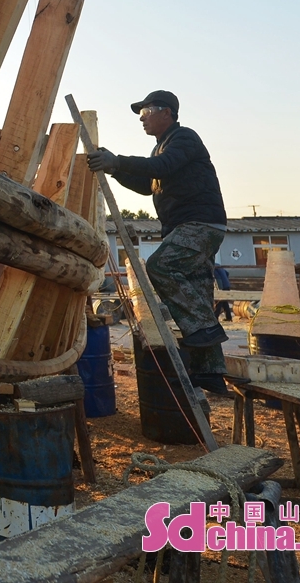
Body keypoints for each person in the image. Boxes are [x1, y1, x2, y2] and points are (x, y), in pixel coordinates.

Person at [86, 90, 229, 393]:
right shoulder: (159, 151)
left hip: (200, 223)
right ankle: (211, 372)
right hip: (183, 226)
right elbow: (146, 185)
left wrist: (118, 161)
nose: (142, 119)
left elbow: (161, 168)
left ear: (167, 112)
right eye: (140, 115)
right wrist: (114, 168)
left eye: (146, 112)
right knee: (199, 290)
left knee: (161, 266)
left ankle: (205, 329)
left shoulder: (184, 139)